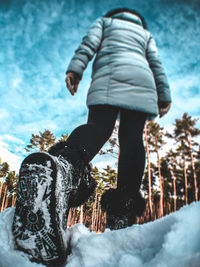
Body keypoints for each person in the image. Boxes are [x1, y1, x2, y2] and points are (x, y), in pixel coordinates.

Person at [12, 8, 171, 266]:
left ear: (115, 15)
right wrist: (163, 94)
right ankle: (123, 211)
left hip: (108, 78)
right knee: (132, 139)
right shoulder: (145, 34)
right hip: (141, 85)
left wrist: (75, 69)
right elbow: (156, 64)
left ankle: (63, 169)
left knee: (99, 127)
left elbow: (88, 45)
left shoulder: (105, 22)